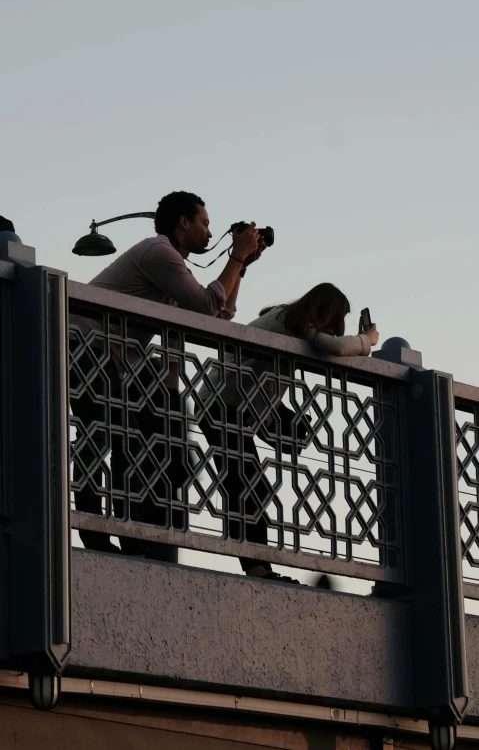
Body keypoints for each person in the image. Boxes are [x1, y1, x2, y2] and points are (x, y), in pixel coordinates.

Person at [70, 191, 265, 556]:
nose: (210, 232)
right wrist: (236, 256)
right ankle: (93, 531)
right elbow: (208, 307)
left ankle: (116, 531)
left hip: (105, 357)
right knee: (99, 436)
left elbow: (218, 317)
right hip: (85, 349)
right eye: (204, 223)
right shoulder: (159, 252)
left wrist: (242, 264)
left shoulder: (174, 267)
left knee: (111, 437)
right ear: (183, 222)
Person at [197, 283, 379, 585]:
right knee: (247, 485)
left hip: (233, 406)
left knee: (252, 484)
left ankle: (258, 564)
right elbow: (335, 348)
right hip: (220, 404)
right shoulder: (290, 320)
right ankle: (256, 567)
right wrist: (367, 340)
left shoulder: (293, 324)